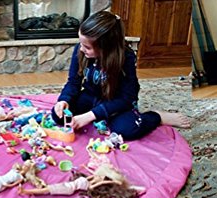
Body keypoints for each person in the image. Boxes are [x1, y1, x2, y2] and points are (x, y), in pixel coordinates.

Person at [52, 11, 190, 140]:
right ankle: (99, 115)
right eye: (81, 43)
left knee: (127, 129)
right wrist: (64, 100)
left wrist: (90, 116)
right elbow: (73, 82)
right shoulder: (80, 50)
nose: (82, 49)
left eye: (87, 47)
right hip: (90, 96)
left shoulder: (126, 58)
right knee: (58, 116)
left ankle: (157, 116)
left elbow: (127, 98)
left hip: (116, 102)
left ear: (105, 48)